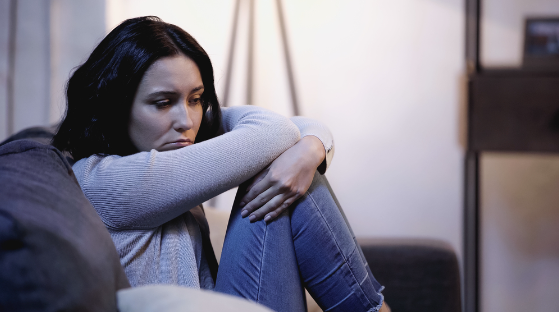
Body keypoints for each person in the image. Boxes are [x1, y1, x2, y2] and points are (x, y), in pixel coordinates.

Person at [52, 16, 387, 312]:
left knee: (291, 171)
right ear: (116, 106)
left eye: (196, 99)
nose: (186, 121)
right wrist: (304, 149)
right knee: (280, 169)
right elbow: (279, 130)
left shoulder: (172, 149)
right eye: (162, 103)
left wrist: (312, 148)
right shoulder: (107, 179)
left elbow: (297, 128)